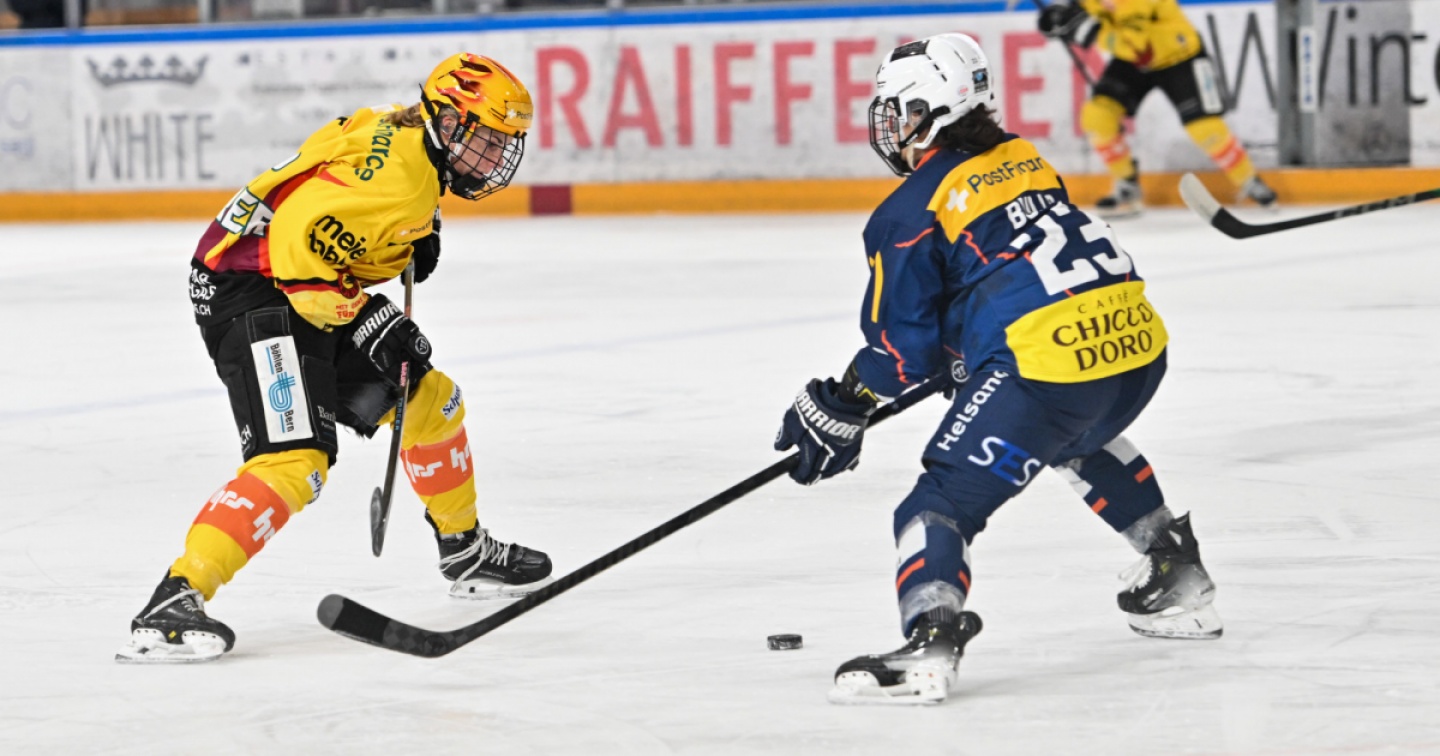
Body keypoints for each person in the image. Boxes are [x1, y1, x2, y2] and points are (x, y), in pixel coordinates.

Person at [773, 34, 1221, 705]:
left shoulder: (907, 213)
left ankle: (929, 644)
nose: (890, 125)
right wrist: (965, 356)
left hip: (1050, 370)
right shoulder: (1024, 159)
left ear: (928, 113)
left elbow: (902, 353)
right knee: (1071, 437)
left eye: (899, 110)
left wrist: (844, 401)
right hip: (1135, 351)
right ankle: (1175, 570)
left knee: (938, 504)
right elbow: (1003, 274)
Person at [117, 53, 554, 663]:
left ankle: (465, 550)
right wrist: (370, 317)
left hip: (285, 281)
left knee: (430, 401)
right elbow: (296, 244)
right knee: (295, 460)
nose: (498, 156)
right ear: (450, 122)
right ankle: (173, 600)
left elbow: (328, 177)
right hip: (253, 293)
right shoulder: (398, 180)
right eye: (490, 139)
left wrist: (407, 239)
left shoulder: (403, 132)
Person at [1037, 0, 1276, 218]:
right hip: (1131, 58)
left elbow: (1140, 48)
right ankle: (1127, 185)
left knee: (1205, 127)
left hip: (1181, 56)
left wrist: (1090, 31)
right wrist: (1060, 17)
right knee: (1098, 116)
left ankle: (1249, 181)